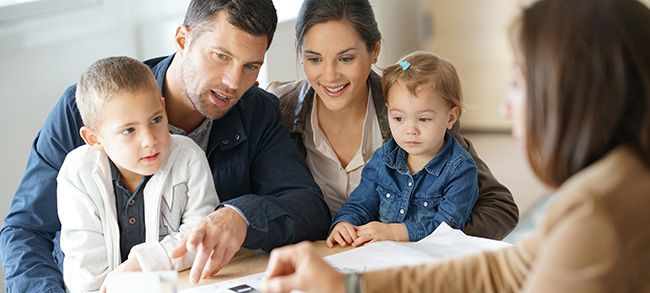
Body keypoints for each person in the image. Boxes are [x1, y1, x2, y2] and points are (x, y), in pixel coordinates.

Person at [261, 0, 650, 291]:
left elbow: (499, 213)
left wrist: (405, 233)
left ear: (578, 94)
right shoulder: (603, 186)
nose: (505, 106)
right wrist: (350, 286)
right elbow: (506, 270)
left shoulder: (593, 215)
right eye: (313, 58)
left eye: (518, 82)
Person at [0, 0, 331, 291]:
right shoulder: (83, 109)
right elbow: (24, 231)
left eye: (250, 66)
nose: (233, 82)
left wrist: (241, 217)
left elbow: (308, 206)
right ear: (182, 39)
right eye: (220, 56)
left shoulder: (256, 110)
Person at [266, 0, 518, 240]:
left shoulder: (418, 103)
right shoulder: (278, 109)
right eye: (314, 59)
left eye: (345, 58)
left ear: (375, 50)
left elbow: (500, 209)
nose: (330, 76)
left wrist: (413, 238)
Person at [57, 56, 219, 292]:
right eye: (129, 130)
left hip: (175, 287)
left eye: (155, 119)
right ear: (94, 138)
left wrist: (140, 265)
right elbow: (87, 276)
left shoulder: (189, 157)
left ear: (164, 108)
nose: (150, 140)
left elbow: (201, 238)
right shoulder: (78, 174)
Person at [327, 52, 478, 247]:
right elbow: (360, 205)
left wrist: (395, 232)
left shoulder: (460, 169)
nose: (410, 131)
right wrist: (344, 223)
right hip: (384, 258)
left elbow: (448, 228)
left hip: (432, 264)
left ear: (450, 117)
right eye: (398, 118)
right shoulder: (383, 159)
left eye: (423, 119)